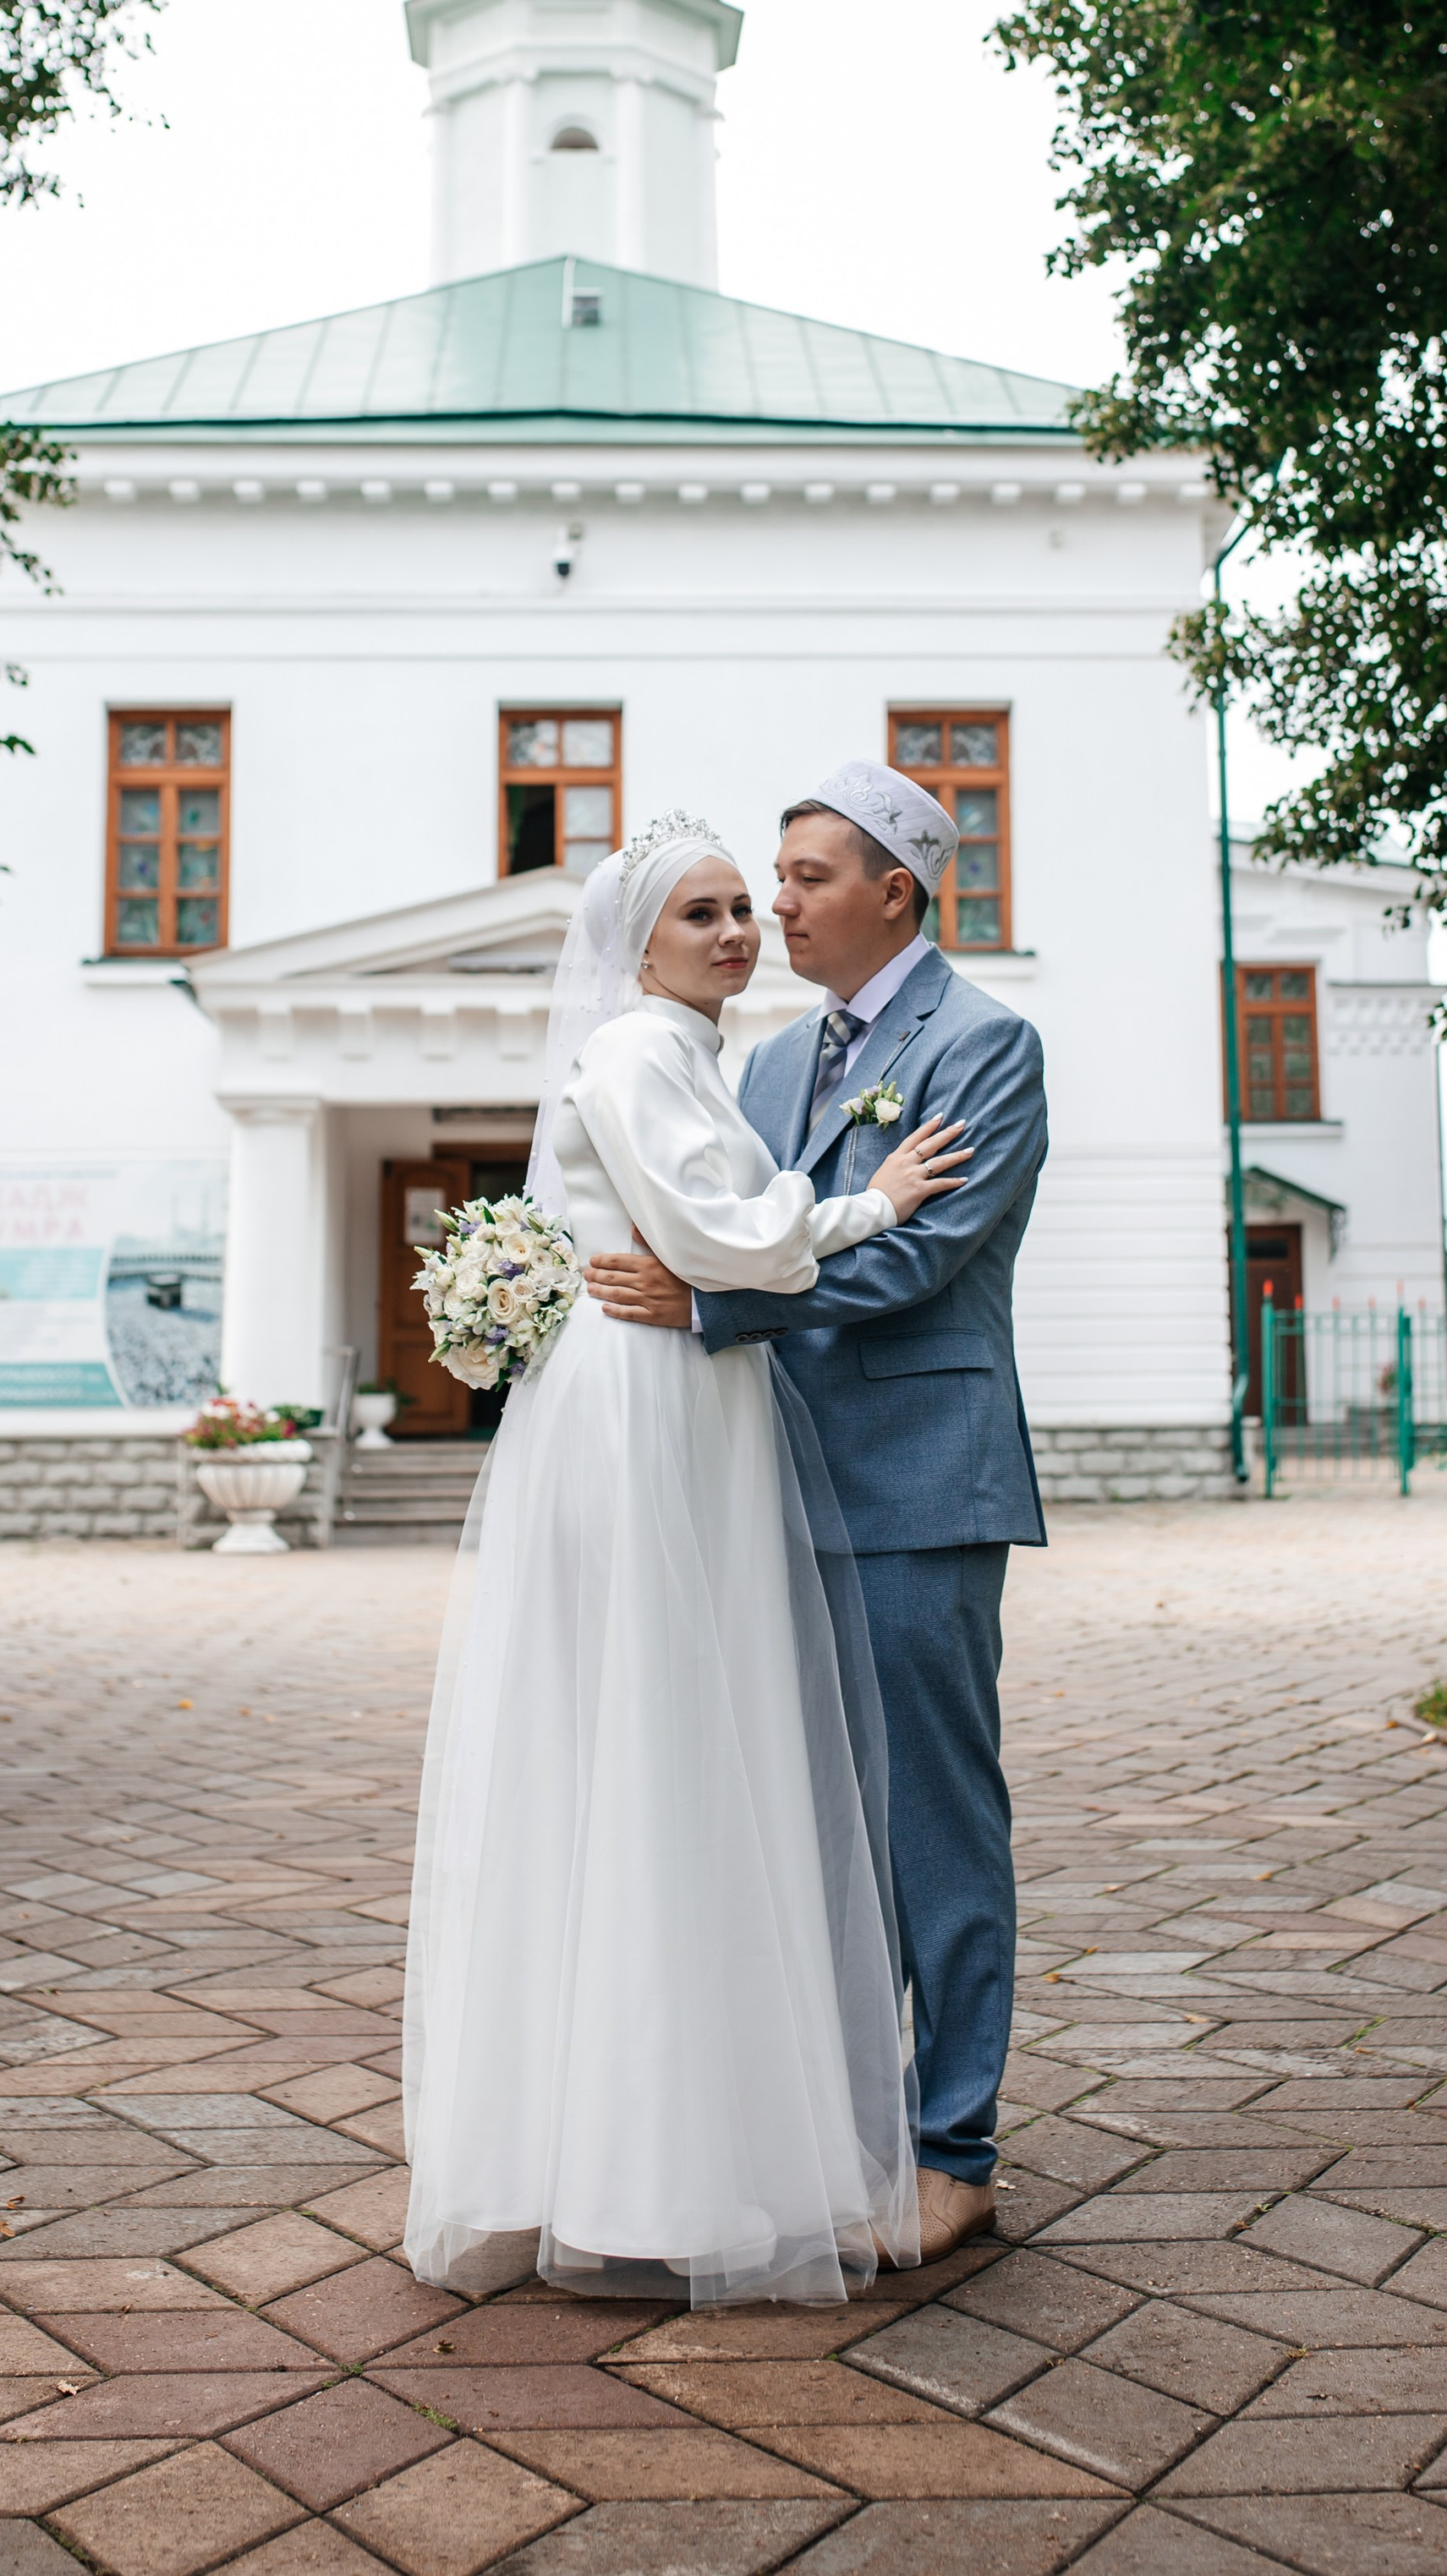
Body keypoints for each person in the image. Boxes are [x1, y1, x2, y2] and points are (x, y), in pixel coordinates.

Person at [402, 812, 973, 2307]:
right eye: (703, 911)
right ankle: (639, 2167)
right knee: (657, 1742)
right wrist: (875, 1201)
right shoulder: (639, 1054)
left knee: (676, 1741)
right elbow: (723, 1236)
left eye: (745, 905)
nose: (738, 929)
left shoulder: (685, 1053)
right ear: (638, 942)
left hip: (689, 1397)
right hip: (647, 1405)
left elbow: (704, 1236)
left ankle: (655, 2143)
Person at [584, 762, 1049, 2265]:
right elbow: (731, 1224)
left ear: (893, 892)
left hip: (919, 1479)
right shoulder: (770, 1061)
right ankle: (838, 2131)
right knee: (807, 1826)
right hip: (769, 1478)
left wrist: (707, 1308)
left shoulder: (986, 1045)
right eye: (764, 883)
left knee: (932, 1819)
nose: (773, 907)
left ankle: (954, 2145)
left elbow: (916, 1257)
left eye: (803, 879)